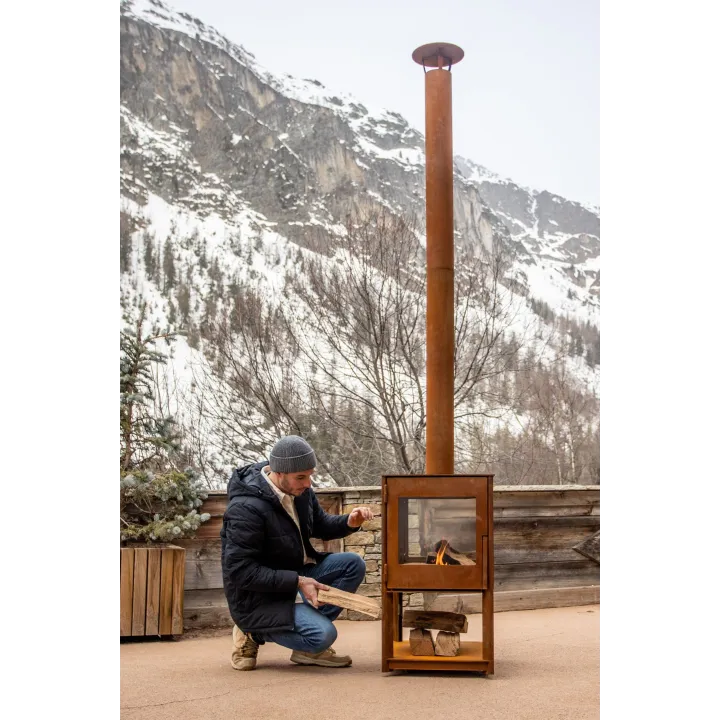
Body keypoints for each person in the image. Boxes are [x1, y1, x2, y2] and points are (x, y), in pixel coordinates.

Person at [221, 435, 374, 670]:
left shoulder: (301, 492)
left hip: (297, 570)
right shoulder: (245, 509)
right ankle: (252, 632)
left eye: (310, 475)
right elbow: (240, 571)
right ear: (278, 472)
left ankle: (306, 649)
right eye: (301, 477)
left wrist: (350, 522)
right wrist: (298, 582)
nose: (308, 483)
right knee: (322, 635)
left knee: (352, 564)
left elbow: (320, 525)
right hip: (258, 596)